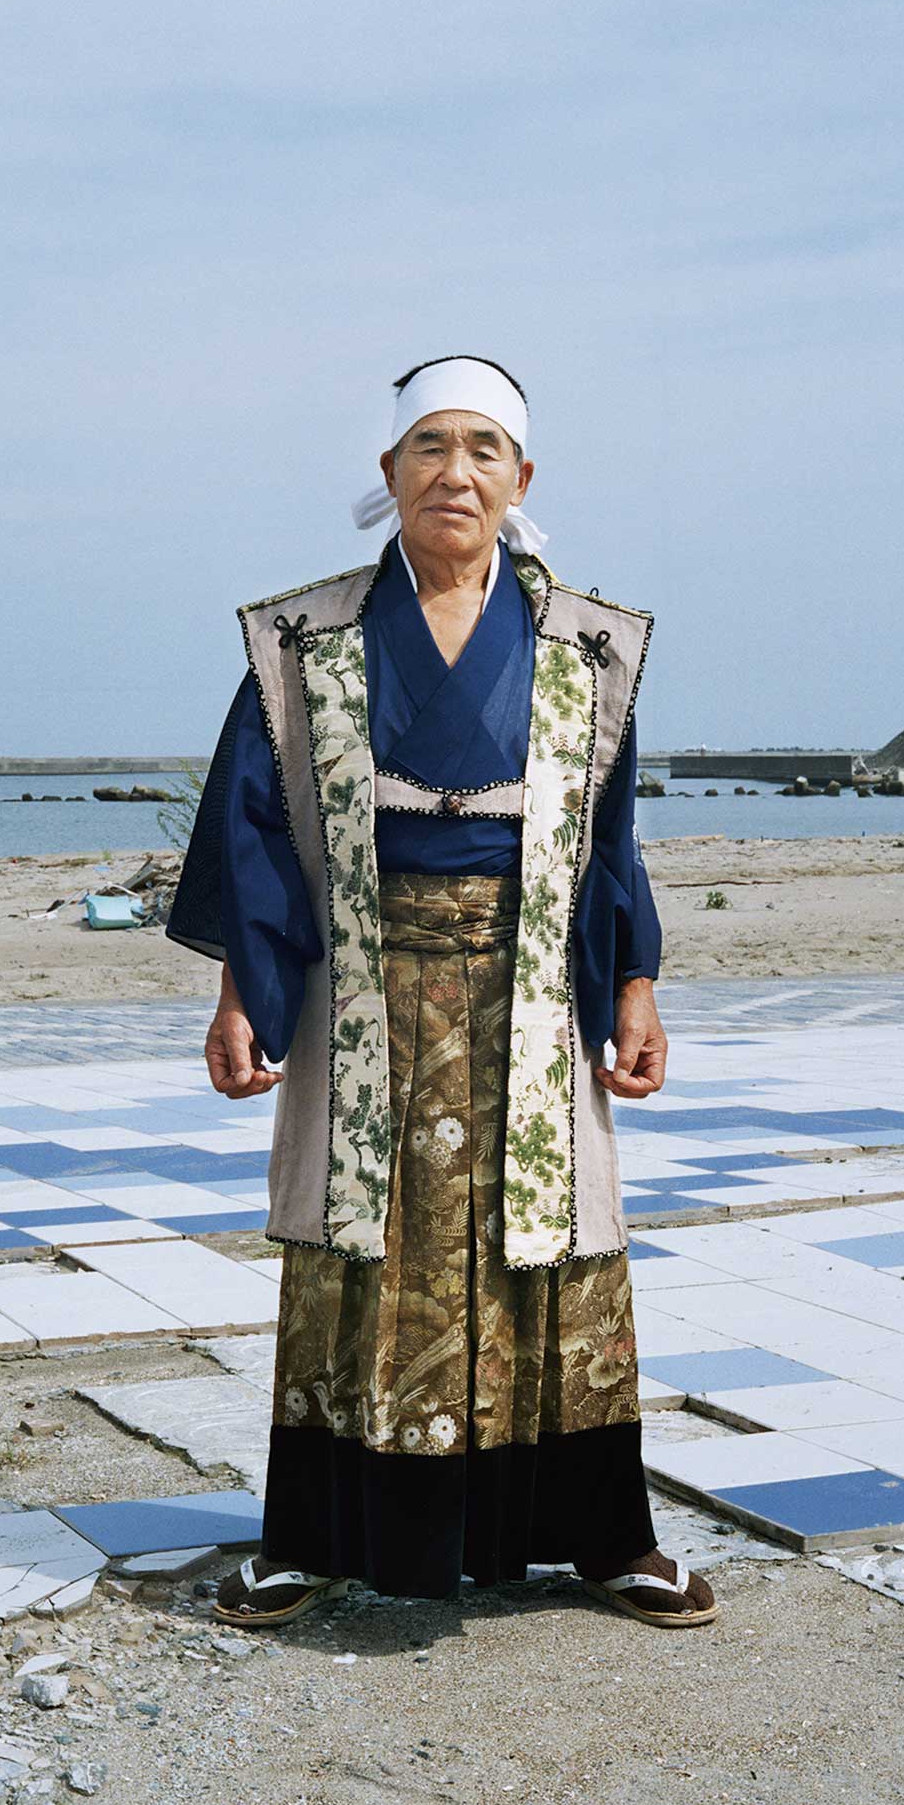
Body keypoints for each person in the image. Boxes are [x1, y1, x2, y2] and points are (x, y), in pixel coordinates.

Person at [166, 356, 714, 1630]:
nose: (453, 471)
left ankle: (599, 1536)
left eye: (481, 449)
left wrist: (632, 981)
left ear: (520, 478)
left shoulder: (583, 648)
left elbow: (610, 840)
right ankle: (311, 1536)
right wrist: (244, 990)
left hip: (530, 993)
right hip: (364, 991)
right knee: (355, 1248)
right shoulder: (303, 641)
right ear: (389, 475)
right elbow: (250, 826)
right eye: (427, 447)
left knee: (555, 1249)